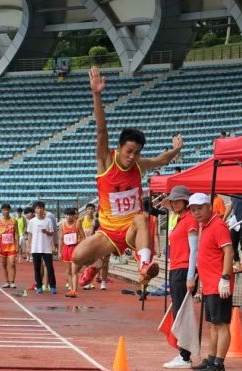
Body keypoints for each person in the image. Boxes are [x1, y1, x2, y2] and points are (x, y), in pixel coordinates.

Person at [72, 66, 184, 289]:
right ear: (119, 147)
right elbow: (101, 131)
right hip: (109, 232)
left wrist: (176, 150)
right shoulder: (106, 160)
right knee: (76, 257)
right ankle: (96, 263)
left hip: (132, 229)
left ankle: (143, 264)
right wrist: (96, 94)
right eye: (129, 151)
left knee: (142, 218)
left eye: (137, 153)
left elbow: (161, 160)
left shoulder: (139, 165)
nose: (132, 157)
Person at [188, 193, 234, 371]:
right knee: (212, 324)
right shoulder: (205, 226)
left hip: (218, 283)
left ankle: (219, 363)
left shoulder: (218, 225)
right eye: (193, 210)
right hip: (209, 284)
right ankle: (212, 358)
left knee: (221, 324)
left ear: (209, 207)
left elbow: (229, 251)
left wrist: (225, 278)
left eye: (199, 208)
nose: (196, 212)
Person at [161, 186, 199, 369]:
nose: (175, 203)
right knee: (179, 311)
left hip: (183, 270)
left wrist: (190, 276)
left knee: (181, 312)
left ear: (185, 201)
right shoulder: (180, 219)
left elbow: (194, 250)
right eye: (173, 201)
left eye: (177, 200)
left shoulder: (190, 219)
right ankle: (183, 353)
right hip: (178, 269)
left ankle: (184, 356)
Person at [27, 201, 57, 294]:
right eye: (37, 208)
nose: (39, 210)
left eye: (41, 208)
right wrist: (28, 247)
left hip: (46, 248)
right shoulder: (32, 221)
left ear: (44, 209)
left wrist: (46, 232)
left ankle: (52, 286)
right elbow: (30, 235)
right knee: (37, 268)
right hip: (36, 248)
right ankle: (39, 286)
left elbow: (52, 233)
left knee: (49, 267)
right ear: (34, 210)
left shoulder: (48, 220)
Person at [224, 195, 242, 273]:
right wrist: (224, 218)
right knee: (232, 244)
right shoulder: (234, 195)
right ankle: (238, 264)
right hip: (235, 222)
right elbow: (230, 206)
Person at [59, 207, 81, 297]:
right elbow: (61, 239)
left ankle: (75, 290)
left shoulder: (77, 225)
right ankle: (71, 289)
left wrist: (78, 243)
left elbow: (82, 237)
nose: (69, 217)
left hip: (74, 249)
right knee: (68, 271)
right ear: (65, 216)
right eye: (67, 215)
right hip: (66, 250)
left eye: (71, 215)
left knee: (74, 271)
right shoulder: (62, 226)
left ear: (74, 216)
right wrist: (59, 252)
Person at [0, 203, 18, 288]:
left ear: (9, 210)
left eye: (7, 210)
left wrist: (18, 245)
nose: (6, 211)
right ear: (2, 211)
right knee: (3, 264)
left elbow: (16, 234)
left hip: (12, 245)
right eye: (4, 210)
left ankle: (12, 281)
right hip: (3, 246)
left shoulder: (14, 221)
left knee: (12, 263)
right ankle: (6, 281)